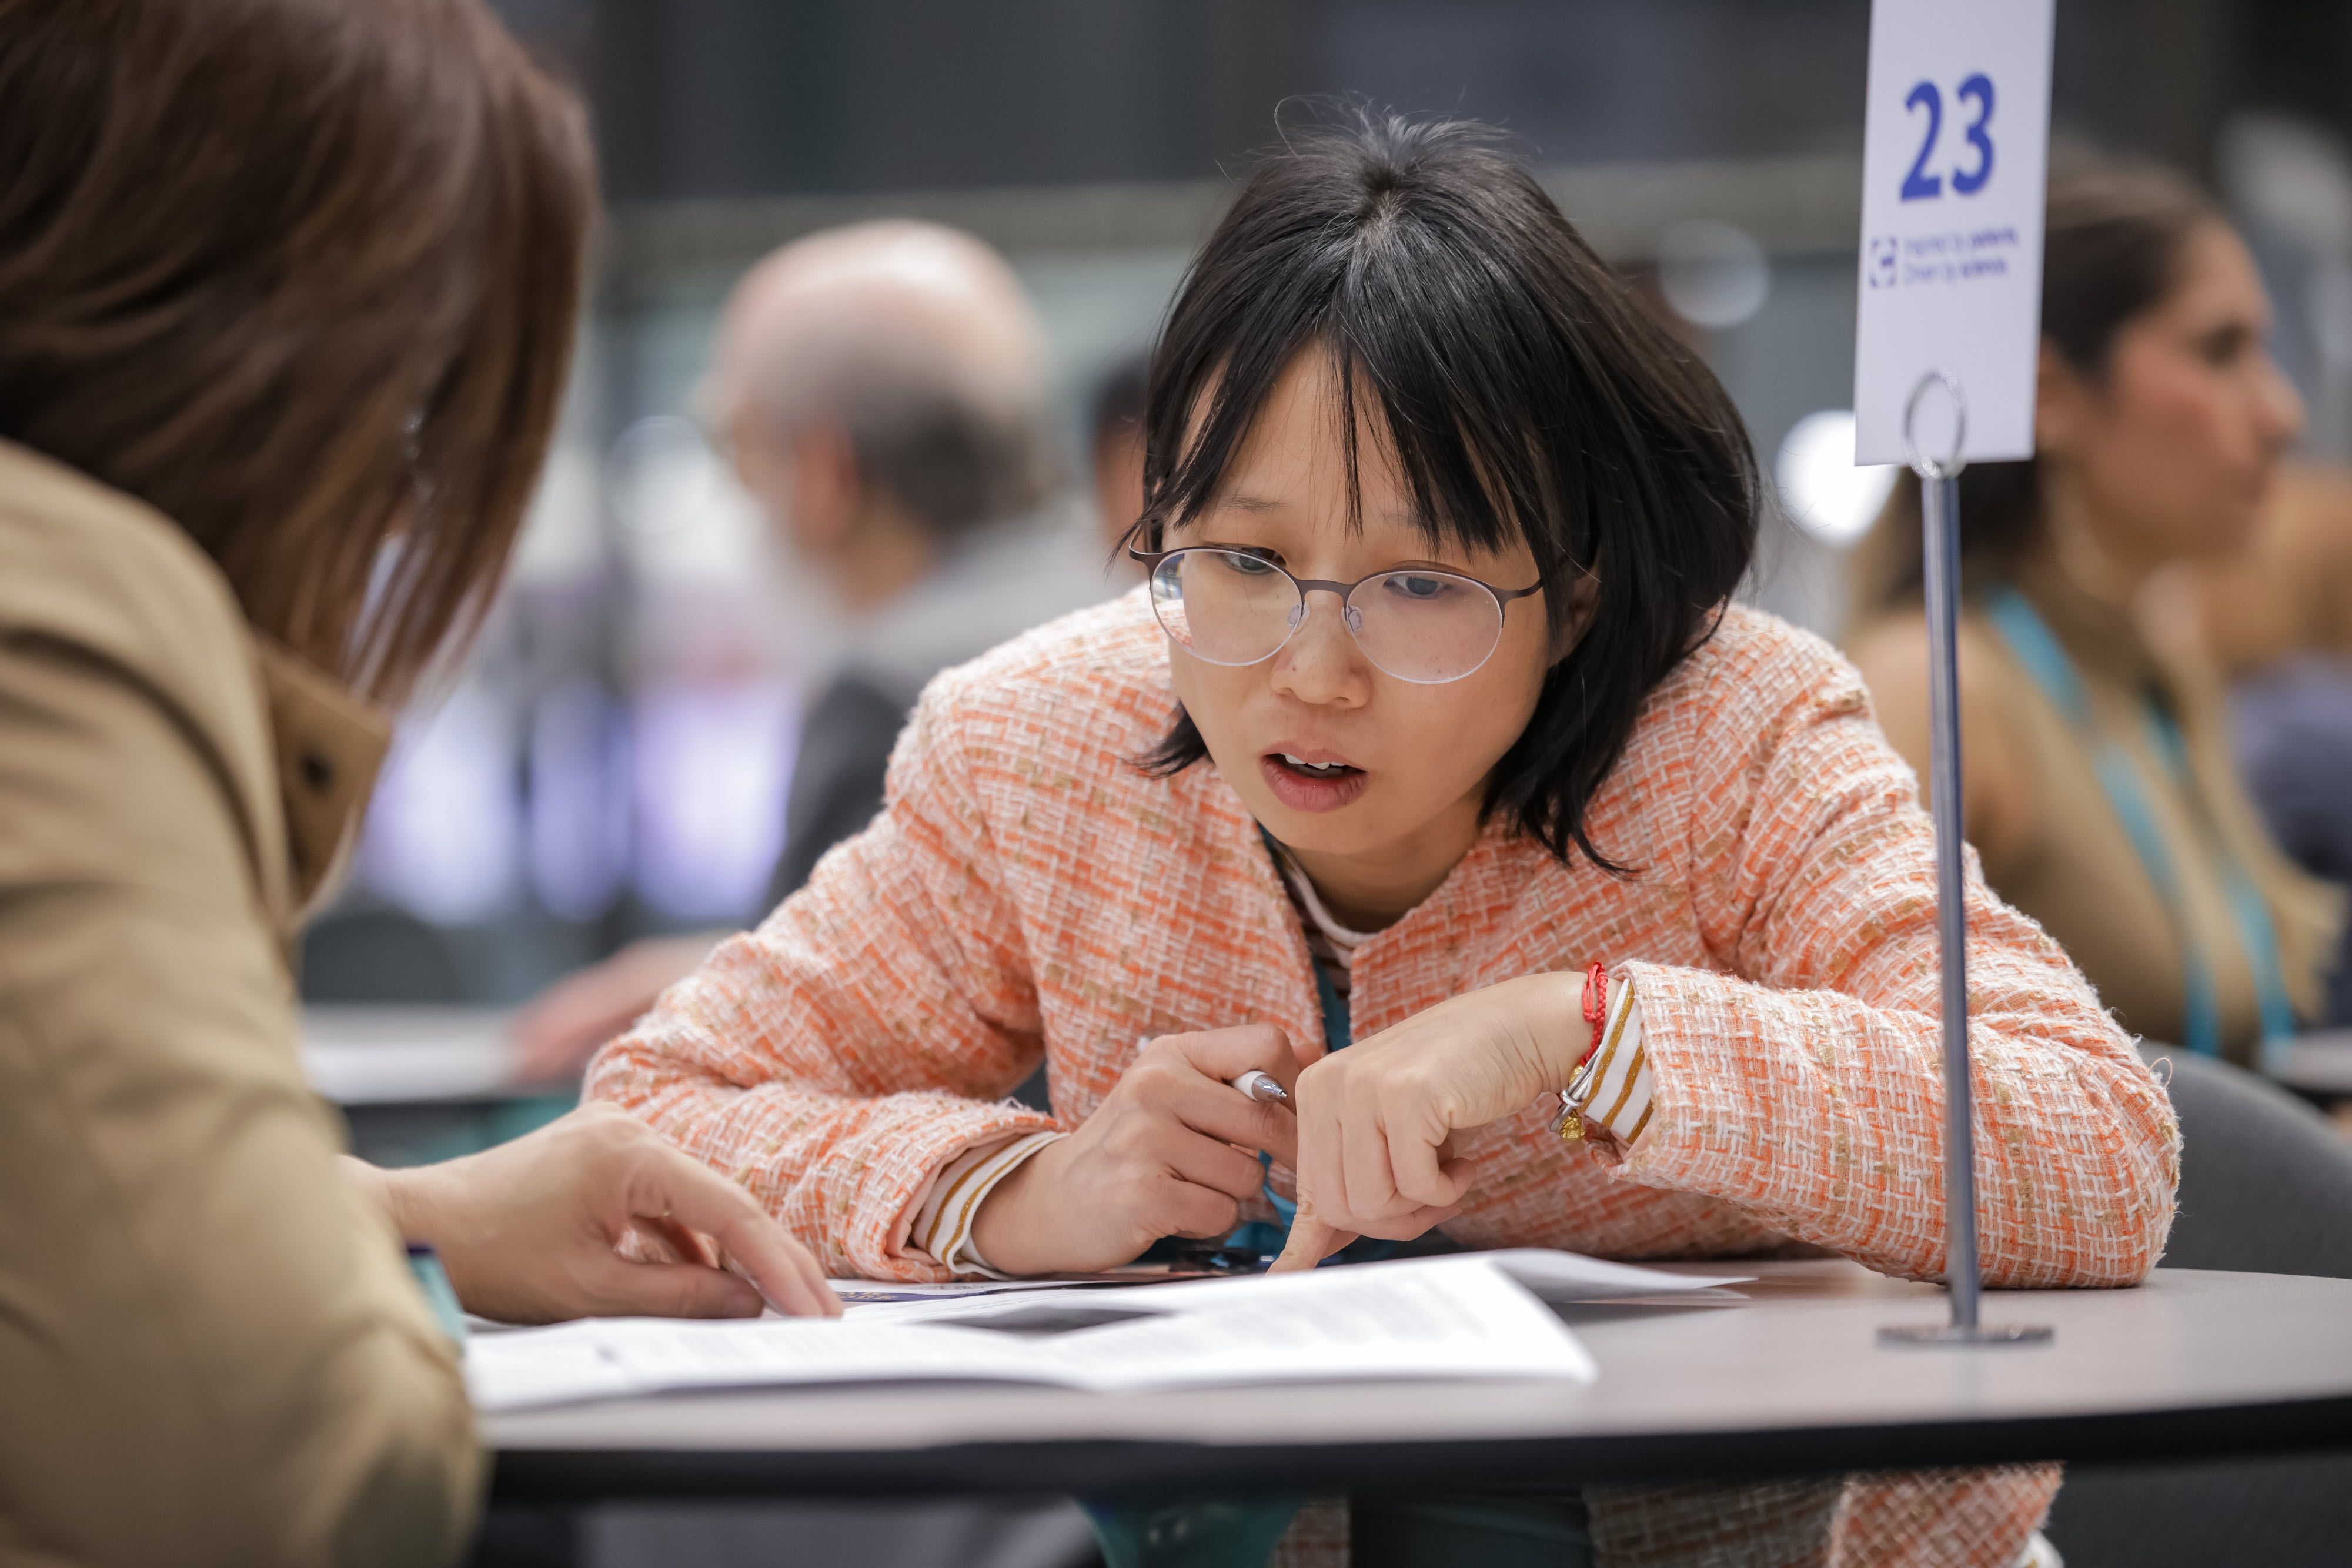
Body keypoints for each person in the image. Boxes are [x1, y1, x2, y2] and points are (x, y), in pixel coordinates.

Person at [587, 113, 2175, 1567]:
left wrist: (1587, 1033)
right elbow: (658, 1115)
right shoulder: (1038, 752)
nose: (1311, 671)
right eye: (1243, 559)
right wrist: (1016, 1189)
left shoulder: (1735, 735)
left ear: (1578, 591)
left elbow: (2096, 1147)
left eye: (1422, 583)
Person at [0, 4, 836, 1566]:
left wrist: (408, 1211)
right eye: (409, 409)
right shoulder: (53, 617)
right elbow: (284, 1470)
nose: (400, 499)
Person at [512, 222, 1104, 1079]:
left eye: (735, 445)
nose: (740, 496)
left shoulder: (896, 701)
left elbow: (820, 1072)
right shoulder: (1143, 612)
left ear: (826, 474)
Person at [1849, 148, 2345, 1067]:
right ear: (2050, 395)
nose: (2282, 414)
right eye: (2219, 350)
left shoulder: (2156, 661)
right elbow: (1859, 1083)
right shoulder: (1935, 682)